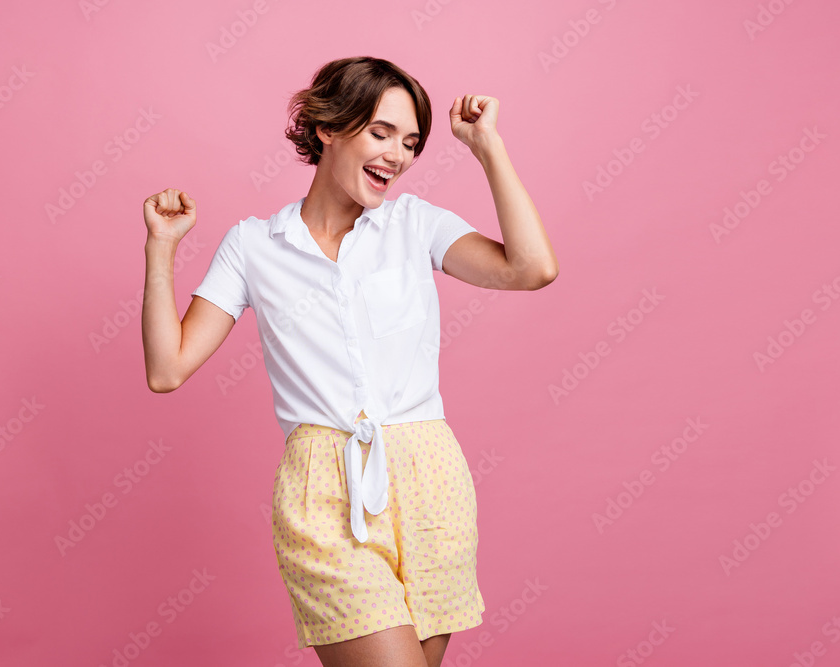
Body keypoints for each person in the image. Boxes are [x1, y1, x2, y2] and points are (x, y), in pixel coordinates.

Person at [141, 56, 558, 667]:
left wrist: (487, 146)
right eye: (380, 132)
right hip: (323, 489)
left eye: (411, 142)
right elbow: (166, 369)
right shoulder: (254, 246)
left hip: (429, 477)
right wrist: (161, 250)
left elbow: (531, 269)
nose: (397, 155)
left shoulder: (416, 226)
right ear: (329, 127)